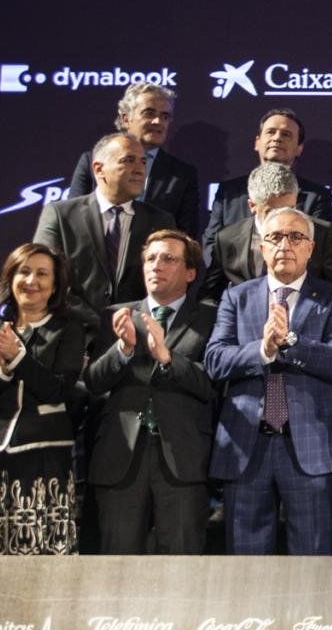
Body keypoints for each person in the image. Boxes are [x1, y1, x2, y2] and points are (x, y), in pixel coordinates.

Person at [206, 206, 332, 555]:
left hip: (310, 447)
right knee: (246, 560)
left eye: (295, 237)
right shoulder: (236, 297)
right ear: (262, 248)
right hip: (246, 446)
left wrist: (289, 342)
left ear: (310, 248)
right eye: (275, 237)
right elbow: (215, 360)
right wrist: (263, 350)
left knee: (314, 557)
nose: (285, 245)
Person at [0, 244, 84, 604]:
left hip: (42, 462)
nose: (31, 281)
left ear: (55, 286)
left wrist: (19, 358)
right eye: (24, 272)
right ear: (10, 279)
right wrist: (0, 370)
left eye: (42, 274)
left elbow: (59, 390)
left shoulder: (68, 331)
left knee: (37, 564)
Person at [83, 230, 215, 554]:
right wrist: (123, 349)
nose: (156, 265)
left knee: (182, 562)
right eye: (151, 259)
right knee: (117, 563)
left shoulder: (210, 318)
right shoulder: (116, 316)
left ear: (190, 272)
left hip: (182, 459)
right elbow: (93, 383)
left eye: (169, 259)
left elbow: (212, 386)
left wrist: (168, 358)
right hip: (121, 457)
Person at [35, 132, 177, 351]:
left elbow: (167, 284)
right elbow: (45, 278)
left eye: (142, 162)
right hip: (69, 340)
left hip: (135, 343)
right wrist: (100, 324)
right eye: (128, 160)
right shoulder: (61, 215)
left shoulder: (161, 221)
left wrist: (129, 326)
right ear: (98, 169)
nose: (140, 169)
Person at [203, 162, 332, 302]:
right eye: (271, 212)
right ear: (252, 205)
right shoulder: (227, 239)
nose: (281, 218)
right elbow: (209, 295)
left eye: (289, 209)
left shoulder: (320, 234)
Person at [67, 81, 201, 237]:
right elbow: (73, 217)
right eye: (149, 113)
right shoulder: (93, 160)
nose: (158, 122)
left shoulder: (183, 174)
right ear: (126, 118)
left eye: (165, 116)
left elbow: (186, 236)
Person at [202, 109, 332, 262]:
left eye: (286, 134)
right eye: (271, 132)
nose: (277, 138)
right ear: (257, 142)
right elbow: (211, 244)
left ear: (299, 148)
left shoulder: (316, 197)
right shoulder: (228, 193)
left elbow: (315, 250)